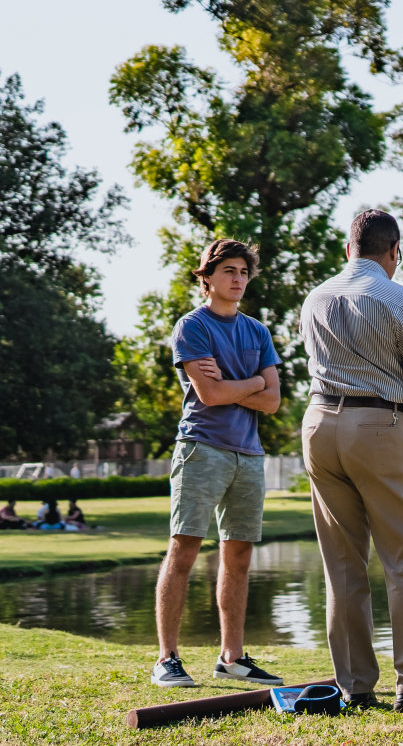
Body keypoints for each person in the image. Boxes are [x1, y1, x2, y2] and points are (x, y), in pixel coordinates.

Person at [300, 210, 403, 713]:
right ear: (395, 251)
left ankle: (354, 685)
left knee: (343, 565)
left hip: (318, 424)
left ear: (349, 248)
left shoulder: (315, 297)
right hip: (379, 426)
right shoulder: (398, 296)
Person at [150, 238, 284, 690]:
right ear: (207, 277)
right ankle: (167, 658)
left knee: (239, 555)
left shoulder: (258, 332)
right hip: (201, 448)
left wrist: (234, 385)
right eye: (229, 271)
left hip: (248, 455)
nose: (238, 279)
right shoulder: (192, 326)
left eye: (244, 273)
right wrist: (251, 385)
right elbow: (210, 396)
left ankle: (232, 657)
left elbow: (274, 401)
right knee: (184, 549)